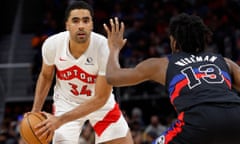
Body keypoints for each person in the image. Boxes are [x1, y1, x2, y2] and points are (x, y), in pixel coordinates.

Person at [103, 14, 240, 144]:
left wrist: (114, 49)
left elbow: (113, 77)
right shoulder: (224, 62)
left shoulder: (164, 64)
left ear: (174, 42)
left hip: (198, 119)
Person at [30, 1, 133, 144]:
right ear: (67, 25)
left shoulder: (103, 47)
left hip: (99, 105)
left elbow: (101, 98)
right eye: (75, 21)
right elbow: (46, 76)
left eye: (86, 21)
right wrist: (35, 112)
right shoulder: (52, 44)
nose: (81, 26)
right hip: (67, 103)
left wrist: (59, 120)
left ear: (91, 24)